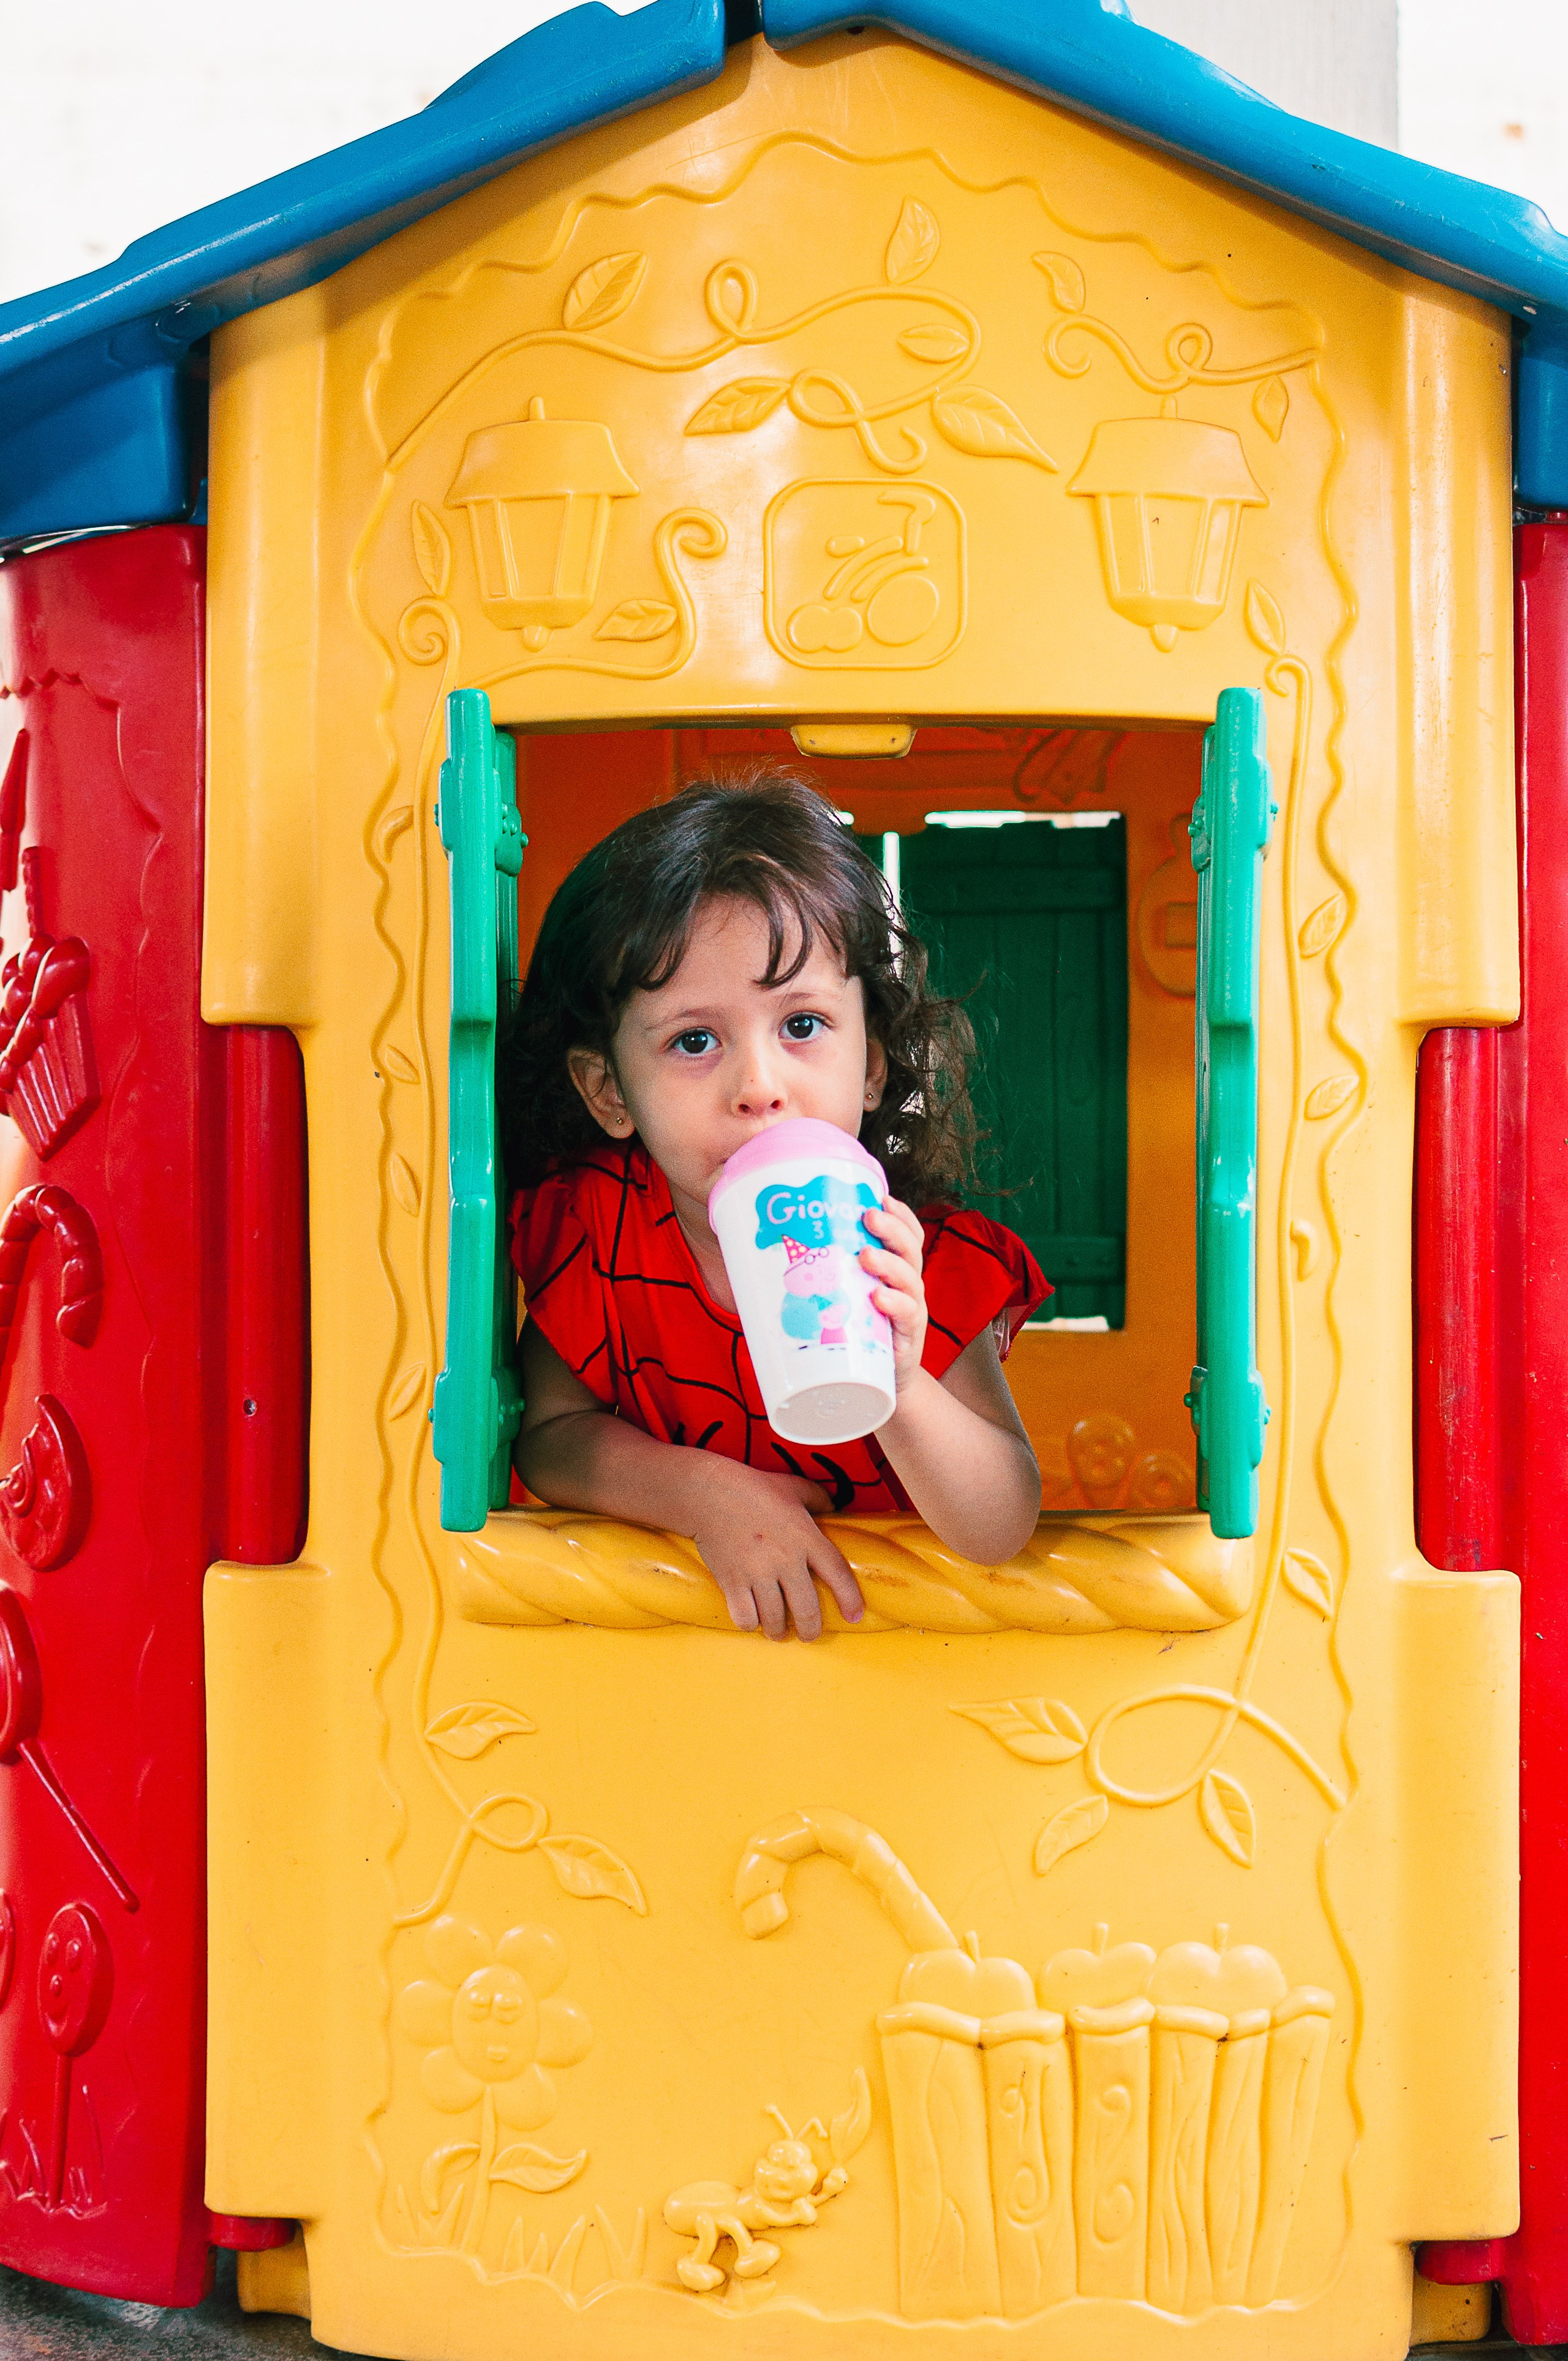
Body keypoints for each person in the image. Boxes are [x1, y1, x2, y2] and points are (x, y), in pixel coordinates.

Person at [501, 771, 1050, 1641]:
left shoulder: (917, 1259)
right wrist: (705, 1496)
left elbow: (1001, 1522)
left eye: (801, 1026)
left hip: (890, 1659)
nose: (759, 1086)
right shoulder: (596, 1227)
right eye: (695, 1040)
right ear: (609, 1091)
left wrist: (901, 1379)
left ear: (871, 1066)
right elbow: (549, 1434)